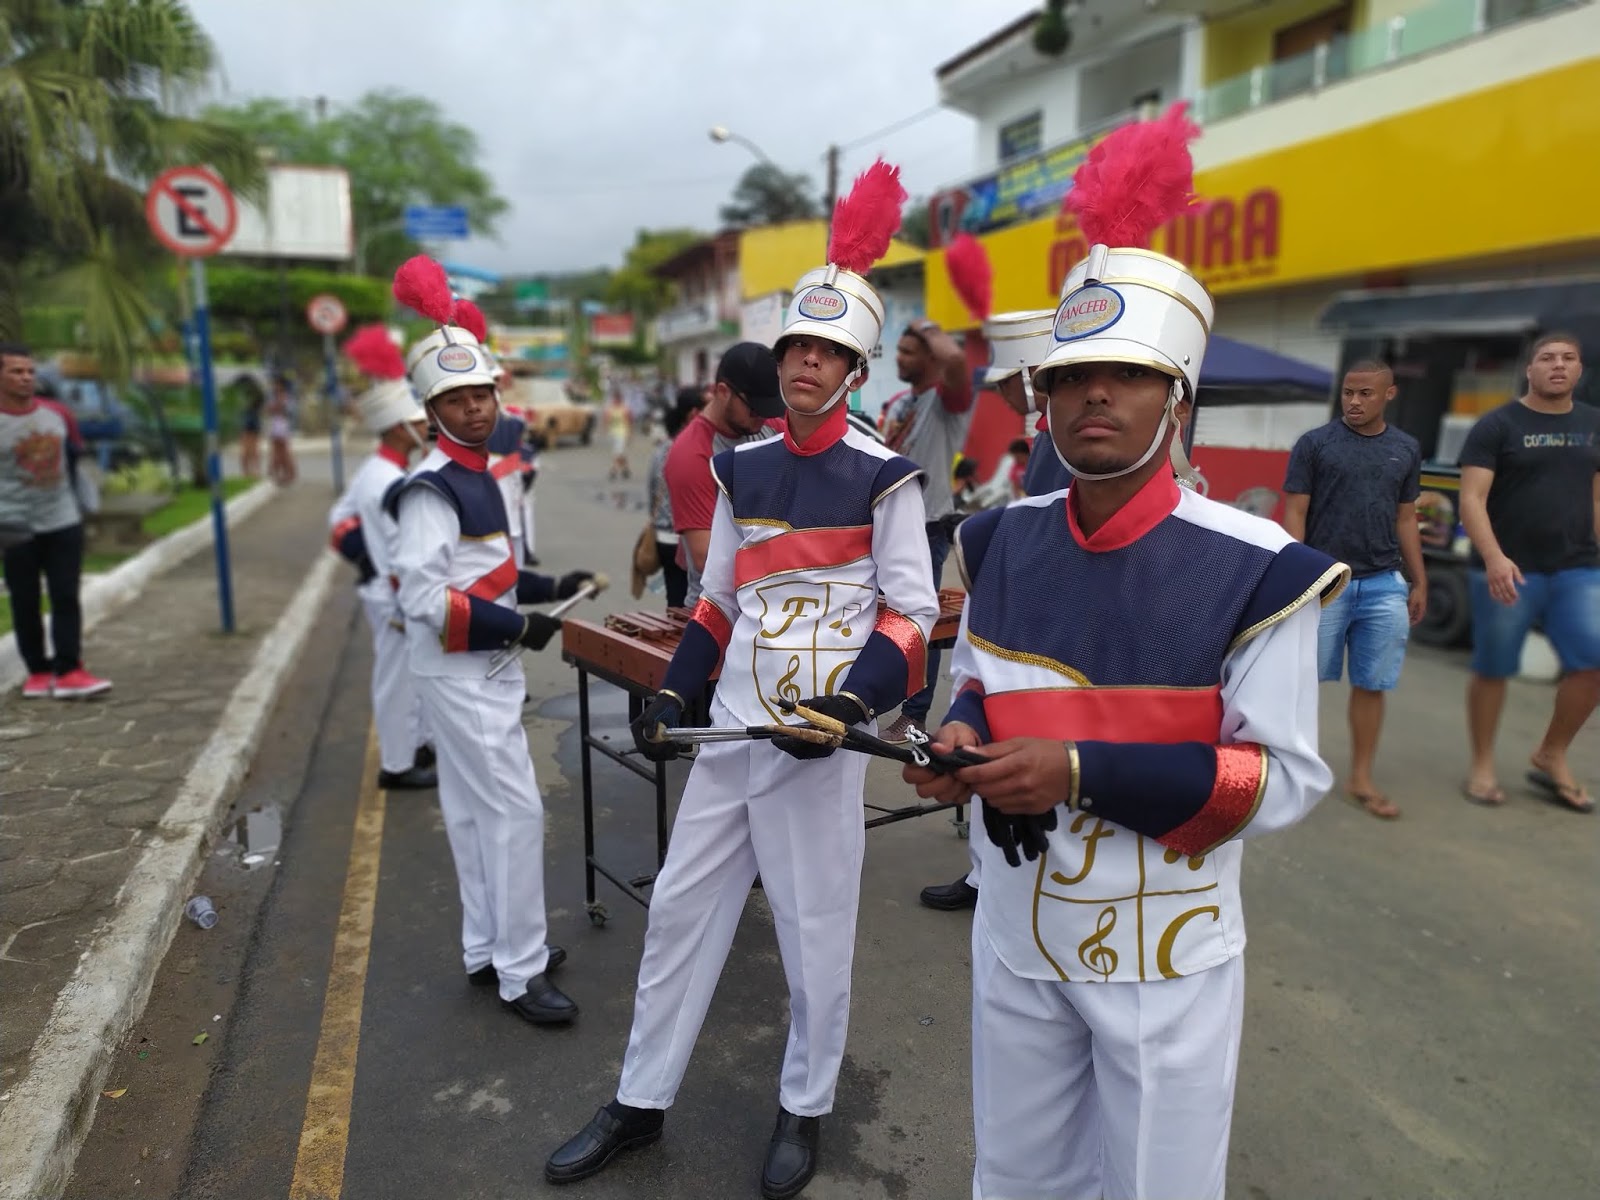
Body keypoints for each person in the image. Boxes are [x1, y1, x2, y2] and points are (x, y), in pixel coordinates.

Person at [902, 105, 1345, 1200]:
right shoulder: (997, 538)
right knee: (1014, 1175)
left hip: (1164, 951)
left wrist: (1076, 771)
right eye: (1069, 375)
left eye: (1127, 371)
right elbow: (978, 682)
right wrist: (958, 731)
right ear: (1043, 399)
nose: (1094, 391)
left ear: (1176, 397)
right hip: (1015, 931)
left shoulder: (1262, 567)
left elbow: (1277, 781)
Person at [545, 160, 938, 1200]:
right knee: (678, 918)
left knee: (814, 939)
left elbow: (912, 618)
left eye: (829, 351)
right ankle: (638, 1101)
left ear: (853, 370)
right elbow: (717, 602)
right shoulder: (740, 468)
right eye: (797, 346)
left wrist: (850, 703)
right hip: (729, 734)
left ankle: (804, 1106)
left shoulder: (884, 476)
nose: (808, 361)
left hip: (819, 747)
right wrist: (674, 694)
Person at [386, 256, 596, 1024]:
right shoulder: (432, 487)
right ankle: (520, 970)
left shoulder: (479, 472)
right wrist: (519, 625)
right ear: (431, 408)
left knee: (477, 814)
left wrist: (546, 586)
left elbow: (486, 573)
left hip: (480, 665)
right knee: (514, 813)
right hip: (461, 670)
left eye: (481, 393)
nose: (474, 407)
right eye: (456, 398)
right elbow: (421, 596)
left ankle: (489, 948)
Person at [917, 308, 1056, 913]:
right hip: (1020, 592)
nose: (999, 394)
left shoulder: (1058, 439)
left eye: (1006, 383)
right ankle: (986, 872)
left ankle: (992, 876)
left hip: (1034, 609)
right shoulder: (1048, 436)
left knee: (1000, 728)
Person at [1457, 331, 1600, 812]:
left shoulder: (1594, 424)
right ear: (1529, 369)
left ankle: (1551, 753)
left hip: (1577, 566)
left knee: (1593, 664)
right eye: (1547, 358)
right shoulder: (1497, 425)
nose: (1558, 365)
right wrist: (1494, 557)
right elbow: (1472, 499)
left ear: (1579, 369)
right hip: (1509, 569)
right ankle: (1482, 763)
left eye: (1568, 358)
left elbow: (1596, 498)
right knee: (1493, 668)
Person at [1282, 360, 1426, 819]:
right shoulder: (1315, 444)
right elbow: (1295, 512)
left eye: (1366, 393)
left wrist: (1419, 580)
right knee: (1300, 681)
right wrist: (1298, 577)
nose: (1354, 402)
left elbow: (1406, 518)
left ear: (1389, 395)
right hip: (1325, 582)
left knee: (1372, 684)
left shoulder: (1405, 448)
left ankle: (1361, 777)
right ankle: (1287, 768)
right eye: (1348, 392)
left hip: (1384, 584)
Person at [328, 325, 435, 791]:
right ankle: (397, 764)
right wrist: (383, 573)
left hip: (384, 589)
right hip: (394, 597)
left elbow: (339, 519)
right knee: (397, 681)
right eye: (417, 420)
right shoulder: (390, 480)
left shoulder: (377, 469)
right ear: (397, 428)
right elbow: (400, 554)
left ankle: (415, 745)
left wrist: (365, 558)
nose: (425, 427)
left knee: (409, 675)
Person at [879, 317, 974, 743]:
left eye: (908, 352)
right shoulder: (903, 402)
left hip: (927, 529)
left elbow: (956, 360)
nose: (899, 358)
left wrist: (929, 327)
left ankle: (915, 715)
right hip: (887, 526)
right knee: (884, 618)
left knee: (920, 623)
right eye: (898, 350)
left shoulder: (945, 402)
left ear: (930, 358)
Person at [0, 343, 111, 699]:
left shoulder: (58, 414)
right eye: (16, 371)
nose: (26, 378)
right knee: (25, 599)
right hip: (13, 523)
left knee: (65, 594)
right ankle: (38, 670)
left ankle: (69, 669)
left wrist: (83, 504)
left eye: (29, 371)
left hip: (62, 518)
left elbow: (75, 459)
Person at [663, 342, 785, 606]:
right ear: (722, 392)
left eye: (768, 407)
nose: (762, 416)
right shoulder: (692, 455)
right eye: (754, 408)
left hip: (770, 599)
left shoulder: (770, 427)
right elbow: (705, 556)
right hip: (719, 608)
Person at [646, 389, 699, 607]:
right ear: (693, 414)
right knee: (693, 602)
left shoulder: (662, 450)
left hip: (663, 537)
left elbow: (651, 491)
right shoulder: (694, 449)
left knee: (674, 601)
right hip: (687, 538)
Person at [266, 374, 297, 486]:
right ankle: (277, 473)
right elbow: (269, 409)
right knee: (276, 450)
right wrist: (275, 407)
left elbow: (285, 409)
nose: (275, 386)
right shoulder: (272, 396)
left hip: (282, 424)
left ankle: (289, 473)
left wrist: (278, 406)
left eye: (277, 384)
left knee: (284, 450)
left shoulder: (286, 396)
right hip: (274, 423)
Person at [236, 374, 265, 477]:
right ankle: (256, 470)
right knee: (254, 448)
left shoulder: (241, 394)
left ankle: (246, 472)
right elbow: (261, 405)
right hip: (254, 421)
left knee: (245, 449)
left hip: (245, 421)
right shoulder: (257, 393)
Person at [605, 389, 632, 480]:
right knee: (620, 453)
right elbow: (607, 419)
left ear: (620, 399)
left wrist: (629, 434)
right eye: (615, 399)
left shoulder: (625, 409)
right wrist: (606, 429)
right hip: (613, 433)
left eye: (617, 399)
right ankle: (626, 469)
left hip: (622, 433)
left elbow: (628, 422)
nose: (615, 401)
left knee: (618, 453)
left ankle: (613, 470)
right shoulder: (610, 408)